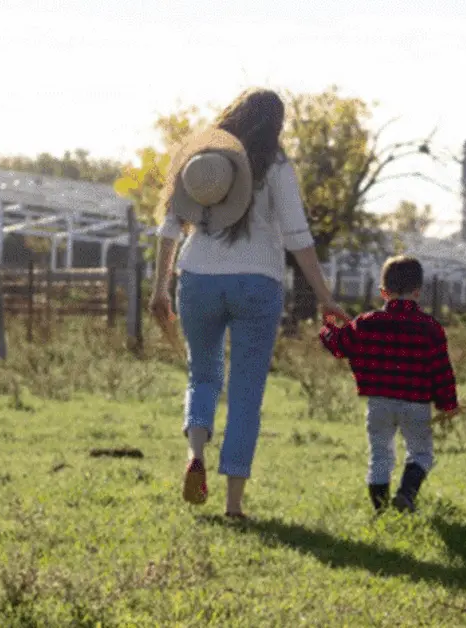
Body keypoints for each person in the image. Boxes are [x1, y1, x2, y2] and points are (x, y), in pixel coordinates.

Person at [150, 88, 349, 519]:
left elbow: (170, 226)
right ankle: (233, 505)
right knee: (246, 393)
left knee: (201, 375)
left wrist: (159, 289)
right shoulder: (275, 165)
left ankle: (196, 452)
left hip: (197, 278)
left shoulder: (202, 159)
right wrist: (325, 296)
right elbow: (298, 237)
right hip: (257, 282)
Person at [318, 255, 458, 513]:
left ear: (383, 292)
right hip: (416, 403)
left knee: (380, 455)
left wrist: (328, 327)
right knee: (421, 453)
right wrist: (448, 404)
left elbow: (339, 345)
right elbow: (441, 371)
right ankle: (406, 494)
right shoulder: (431, 329)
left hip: (379, 402)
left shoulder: (367, 323)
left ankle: (380, 510)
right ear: (418, 292)